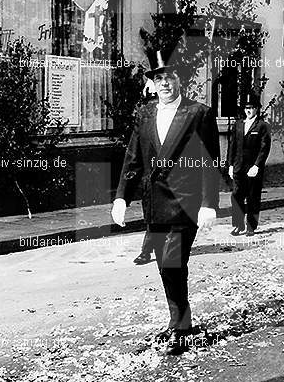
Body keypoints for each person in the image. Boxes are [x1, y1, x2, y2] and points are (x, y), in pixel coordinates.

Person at [111, 49, 220, 355]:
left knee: (173, 261)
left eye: (170, 78)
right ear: (153, 83)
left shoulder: (199, 113)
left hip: (186, 203)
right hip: (154, 202)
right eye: (159, 78)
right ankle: (178, 321)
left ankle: (182, 326)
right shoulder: (144, 114)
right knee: (165, 264)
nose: (165, 83)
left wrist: (209, 203)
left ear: (179, 81)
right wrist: (121, 196)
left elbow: (211, 161)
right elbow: (133, 158)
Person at [227, 95, 272, 237]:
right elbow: (232, 146)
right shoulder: (238, 124)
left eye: (251, 108)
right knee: (236, 196)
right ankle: (238, 225)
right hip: (238, 166)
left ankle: (251, 226)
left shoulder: (262, 126)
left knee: (253, 196)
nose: (248, 110)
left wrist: (257, 165)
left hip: (253, 168)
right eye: (246, 108)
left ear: (257, 109)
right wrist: (230, 165)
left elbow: (264, 148)